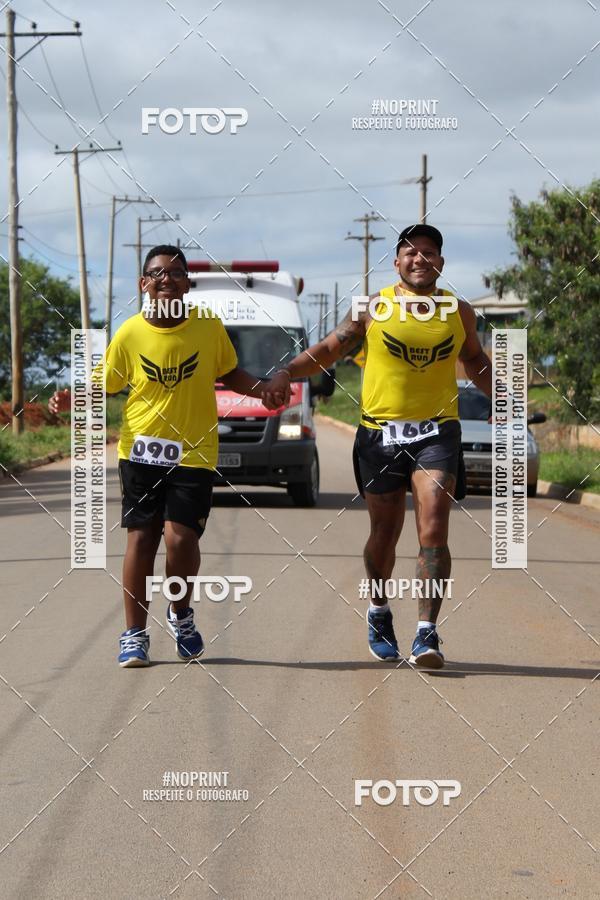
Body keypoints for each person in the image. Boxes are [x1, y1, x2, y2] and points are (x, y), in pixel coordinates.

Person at [264, 225, 492, 668]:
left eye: (429, 252)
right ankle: (379, 609)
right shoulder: (370, 308)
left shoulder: (459, 311)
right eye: (411, 252)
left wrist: (502, 396)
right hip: (379, 435)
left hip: (437, 433)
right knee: (384, 534)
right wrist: (286, 372)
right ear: (397, 262)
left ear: (441, 262)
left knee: (434, 525)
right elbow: (329, 349)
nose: (420, 259)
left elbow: (474, 359)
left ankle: (426, 632)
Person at [50, 245, 280, 667]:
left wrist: (262, 389)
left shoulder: (207, 326)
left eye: (176, 273)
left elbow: (229, 372)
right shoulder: (130, 333)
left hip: (194, 452)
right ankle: (134, 634)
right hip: (140, 451)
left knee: (181, 539)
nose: (166, 279)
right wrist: (72, 399)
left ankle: (180, 614)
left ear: (187, 284)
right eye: (157, 273)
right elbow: (106, 383)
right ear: (144, 283)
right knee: (141, 539)